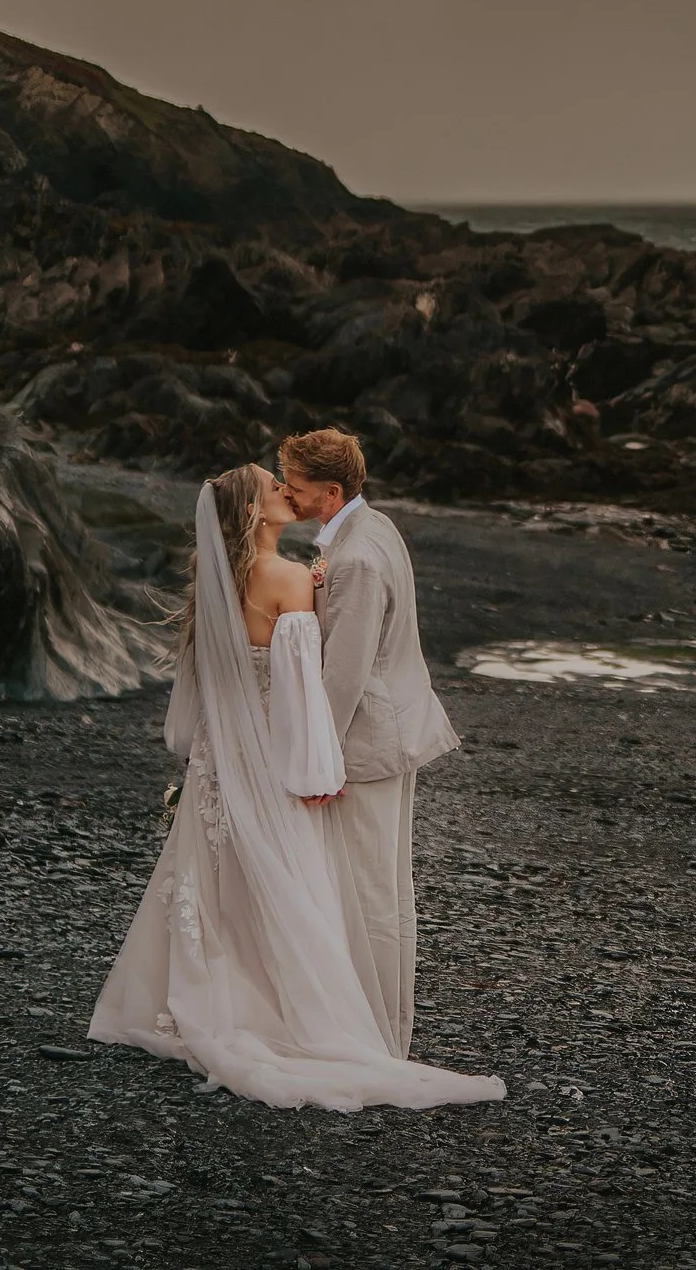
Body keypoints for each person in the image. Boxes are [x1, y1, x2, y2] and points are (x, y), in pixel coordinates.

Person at [89, 463, 504, 1111]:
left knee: (215, 877)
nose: (288, 493)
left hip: (222, 756)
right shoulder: (288, 579)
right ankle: (286, 1014)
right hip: (275, 759)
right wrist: (318, 772)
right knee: (287, 884)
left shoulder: (216, 584)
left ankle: (204, 995)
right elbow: (306, 692)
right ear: (255, 514)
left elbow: (206, 691)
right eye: (274, 490)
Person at [276, 426, 457, 1059]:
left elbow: (343, 675)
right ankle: (384, 1029)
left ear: (330, 491)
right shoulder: (372, 526)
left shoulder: (353, 559)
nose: (286, 496)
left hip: (369, 743)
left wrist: (315, 762)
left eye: (295, 487)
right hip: (395, 728)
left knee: (373, 895)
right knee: (385, 890)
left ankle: (381, 1039)